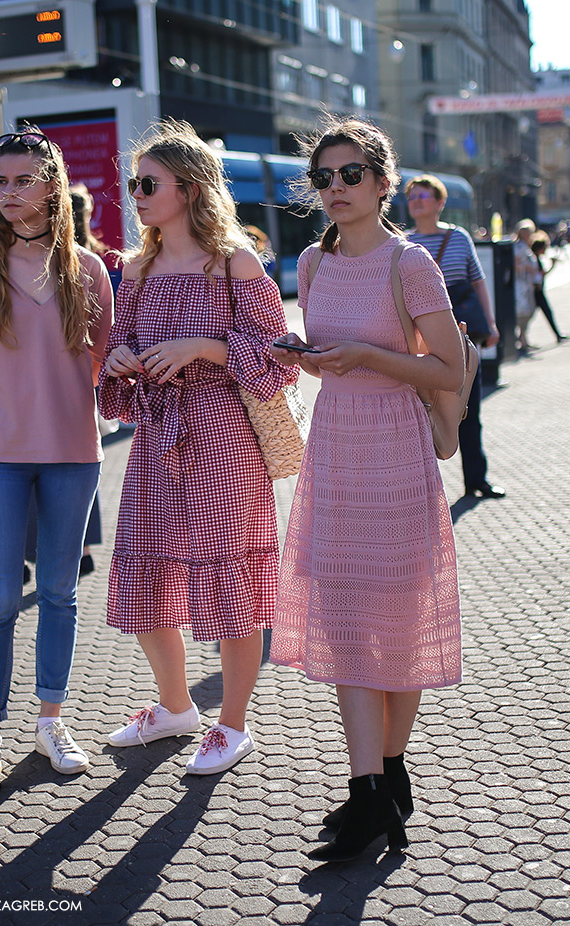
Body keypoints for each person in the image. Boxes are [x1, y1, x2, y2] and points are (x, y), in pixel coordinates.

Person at [269, 117, 464, 862]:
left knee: (397, 624)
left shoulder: (408, 263)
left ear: (384, 182)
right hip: (337, 449)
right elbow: (331, 358)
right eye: (324, 178)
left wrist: (367, 355)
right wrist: (313, 358)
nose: (336, 189)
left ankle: (384, 780)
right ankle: (370, 794)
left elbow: (445, 369)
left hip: (396, 453)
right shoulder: (313, 265)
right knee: (348, 621)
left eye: (351, 175)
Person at [99, 120, 298, 775]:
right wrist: (121, 358)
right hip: (157, 432)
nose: (136, 194)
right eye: (133, 183)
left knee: (229, 571)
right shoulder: (139, 266)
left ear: (187, 188)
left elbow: (279, 354)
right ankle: (176, 707)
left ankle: (231, 724)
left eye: (148, 183)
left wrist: (205, 347)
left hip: (220, 430)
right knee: (147, 568)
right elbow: (115, 348)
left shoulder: (235, 260)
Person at [0, 127, 113, 801]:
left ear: (51, 185)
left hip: (73, 453)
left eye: (23, 180)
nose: (9, 193)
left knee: (62, 595)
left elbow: (106, 364)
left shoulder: (87, 268)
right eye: (1, 182)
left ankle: (51, 722)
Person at [405, 174, 505, 499]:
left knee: (468, 412)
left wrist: (490, 324)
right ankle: (420, 490)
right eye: (412, 197)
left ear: (439, 202)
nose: (417, 201)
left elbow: (477, 282)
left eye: (423, 196)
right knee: (418, 415)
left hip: (460, 339)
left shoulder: (459, 238)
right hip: (417, 344)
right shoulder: (401, 243)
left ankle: (476, 480)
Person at [530, 232, 567, 343]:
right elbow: (540, 275)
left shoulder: (535, 258)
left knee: (540, 313)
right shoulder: (534, 259)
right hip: (536, 292)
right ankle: (521, 338)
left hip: (537, 291)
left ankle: (558, 335)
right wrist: (552, 265)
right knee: (529, 315)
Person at [512, 220, 538, 355]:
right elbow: (515, 265)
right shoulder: (520, 247)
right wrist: (528, 268)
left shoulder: (524, 246)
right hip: (521, 285)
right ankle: (521, 339)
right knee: (524, 312)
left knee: (527, 312)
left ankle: (523, 339)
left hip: (525, 284)